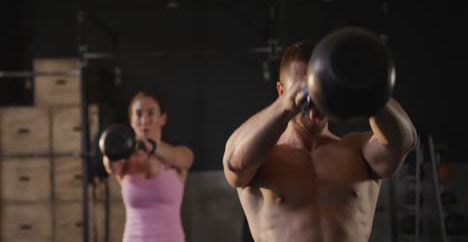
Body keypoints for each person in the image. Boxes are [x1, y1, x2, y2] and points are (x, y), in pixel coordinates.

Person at [222, 41, 417, 242]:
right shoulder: (263, 156)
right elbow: (233, 164)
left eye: (321, 89)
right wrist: (288, 104)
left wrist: (366, 91)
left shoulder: (358, 151)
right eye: (303, 87)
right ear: (282, 91)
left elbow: (404, 141)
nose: (315, 98)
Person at [102, 90, 194, 242]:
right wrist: (114, 148)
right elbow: (111, 165)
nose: (144, 120)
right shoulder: (124, 161)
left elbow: (185, 159)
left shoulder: (177, 156)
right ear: (131, 120)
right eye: (138, 114)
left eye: (151, 113)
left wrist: (151, 147)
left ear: (162, 119)